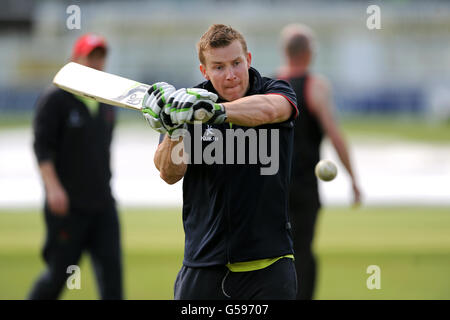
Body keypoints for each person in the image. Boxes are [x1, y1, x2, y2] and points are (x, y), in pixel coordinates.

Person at [142, 24, 299, 299]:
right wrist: (173, 128)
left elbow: (270, 109)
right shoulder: (188, 104)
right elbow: (168, 173)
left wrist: (213, 111)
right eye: (218, 67)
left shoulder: (274, 90)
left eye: (236, 63)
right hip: (203, 264)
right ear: (204, 71)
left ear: (248, 60)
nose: (230, 75)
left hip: (269, 265)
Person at [29, 33, 123, 300]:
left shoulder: (107, 101)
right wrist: (53, 189)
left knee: (113, 283)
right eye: (90, 56)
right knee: (57, 277)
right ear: (75, 59)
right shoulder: (55, 99)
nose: (96, 62)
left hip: (103, 204)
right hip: (68, 206)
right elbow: (42, 148)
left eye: (100, 56)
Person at [277, 23, 362, 300]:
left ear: (285, 51)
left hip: (271, 187)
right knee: (301, 252)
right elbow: (335, 136)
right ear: (309, 53)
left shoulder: (270, 86)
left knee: (272, 253)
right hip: (303, 188)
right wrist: (353, 179)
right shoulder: (316, 86)